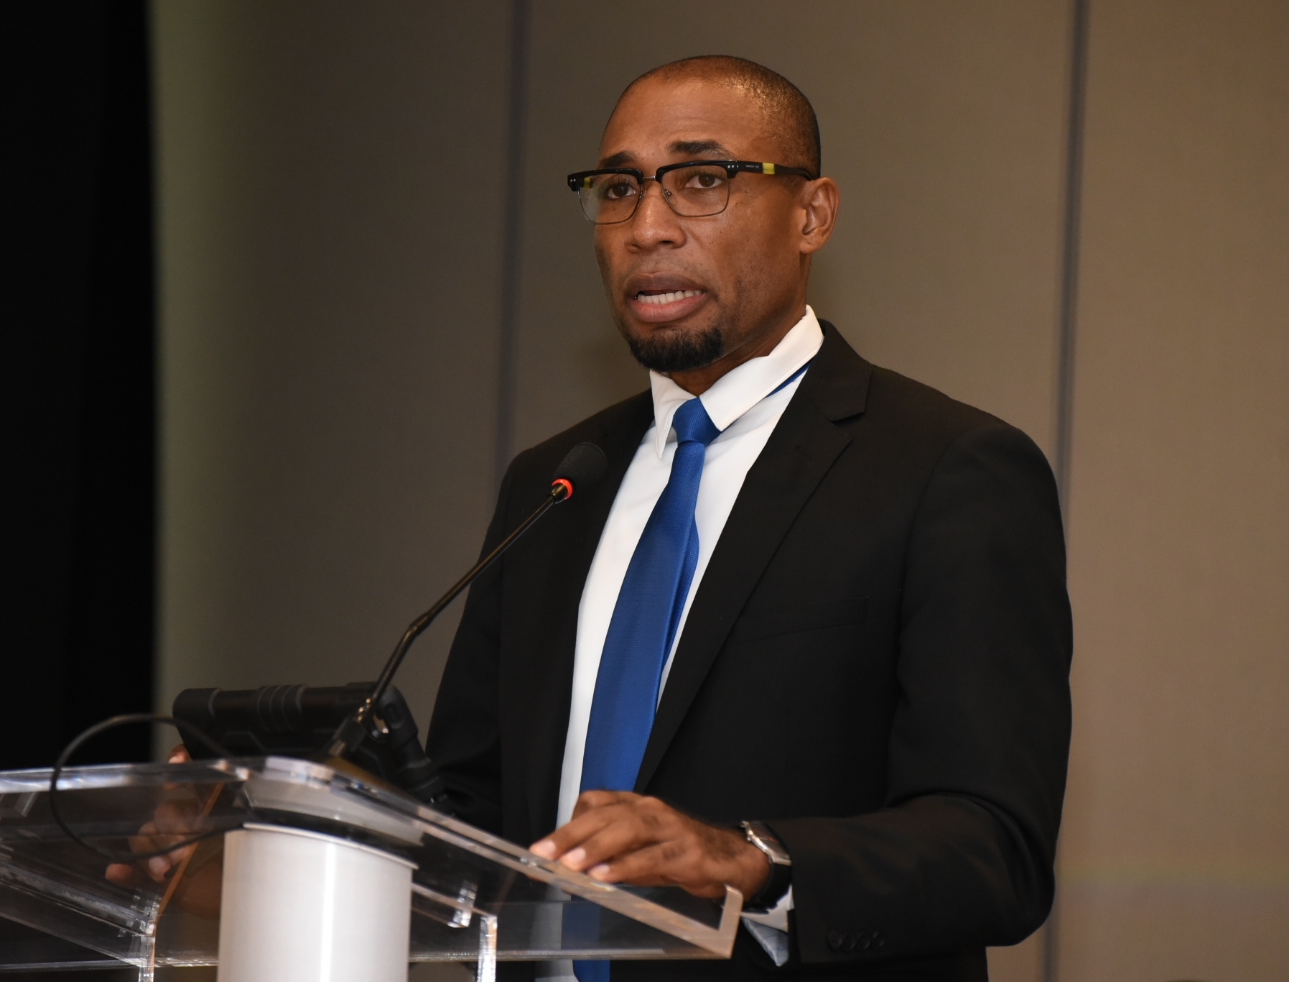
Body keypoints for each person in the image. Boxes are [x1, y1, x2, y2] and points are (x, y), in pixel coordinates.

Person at [426, 56, 1072, 982]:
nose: (647, 228)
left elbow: (994, 847)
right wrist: (291, 839)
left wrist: (755, 860)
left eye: (701, 180)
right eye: (619, 188)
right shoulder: (555, 483)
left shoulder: (948, 470)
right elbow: (470, 804)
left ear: (813, 214)